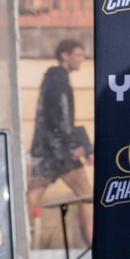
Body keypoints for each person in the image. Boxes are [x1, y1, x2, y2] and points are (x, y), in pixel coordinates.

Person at [28, 38, 92, 247]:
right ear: (65, 55)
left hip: (46, 148)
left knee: (34, 194)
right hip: (59, 150)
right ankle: (93, 241)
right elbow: (61, 117)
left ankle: (23, 240)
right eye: (78, 55)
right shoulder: (59, 79)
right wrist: (75, 146)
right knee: (86, 194)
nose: (82, 59)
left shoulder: (51, 78)